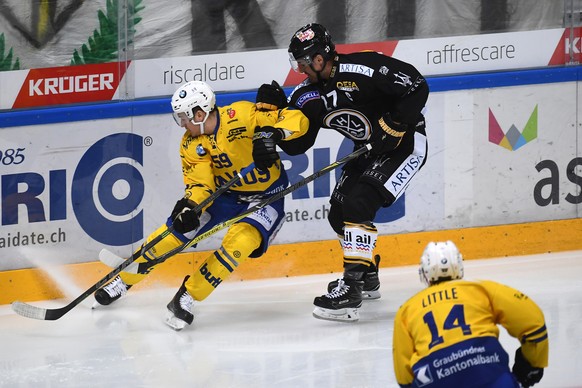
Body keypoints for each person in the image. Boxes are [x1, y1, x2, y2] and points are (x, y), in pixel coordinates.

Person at [93, 80, 309, 331]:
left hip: (266, 197)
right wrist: (191, 205)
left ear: (200, 112)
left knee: (240, 244)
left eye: (184, 117)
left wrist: (274, 133)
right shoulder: (190, 144)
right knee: (175, 233)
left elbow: (297, 119)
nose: (182, 123)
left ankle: (188, 296)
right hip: (224, 197)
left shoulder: (241, 115)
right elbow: (200, 182)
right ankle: (124, 280)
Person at [257, 23, 429, 322]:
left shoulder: (363, 68)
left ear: (321, 58)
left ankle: (350, 290)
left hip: (406, 146)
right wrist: (273, 135)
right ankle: (366, 276)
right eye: (297, 62)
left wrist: (396, 123)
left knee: (358, 204)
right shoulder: (307, 94)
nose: (300, 68)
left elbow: (416, 85)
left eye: (304, 61)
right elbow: (302, 142)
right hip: (369, 149)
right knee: (338, 212)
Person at [392, 241, 549, 388]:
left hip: (435, 378)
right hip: (488, 372)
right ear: (459, 265)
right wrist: (532, 363)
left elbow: (403, 375)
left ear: (424, 271)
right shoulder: (481, 290)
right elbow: (532, 321)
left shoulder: (407, 309)